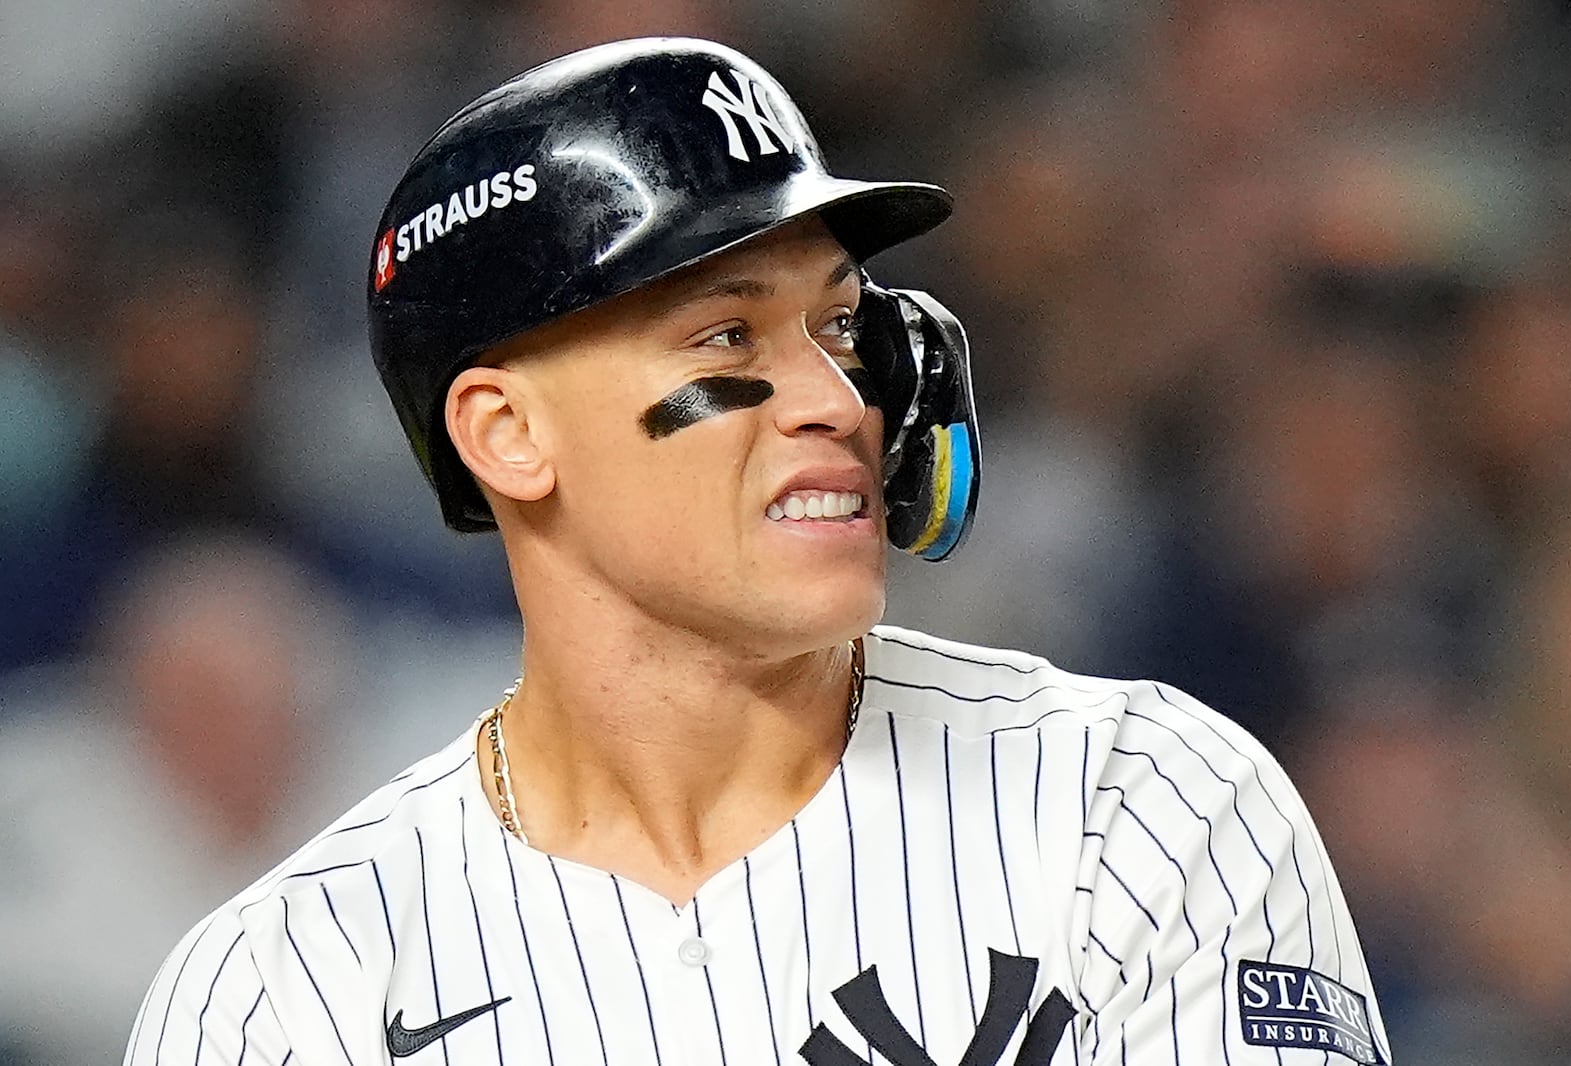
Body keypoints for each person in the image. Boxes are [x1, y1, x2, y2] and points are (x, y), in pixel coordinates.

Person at [126, 38, 1390, 1066]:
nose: (835, 400)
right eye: (725, 339)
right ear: (506, 433)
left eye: (840, 327)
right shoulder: (289, 992)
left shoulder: (1139, 803)